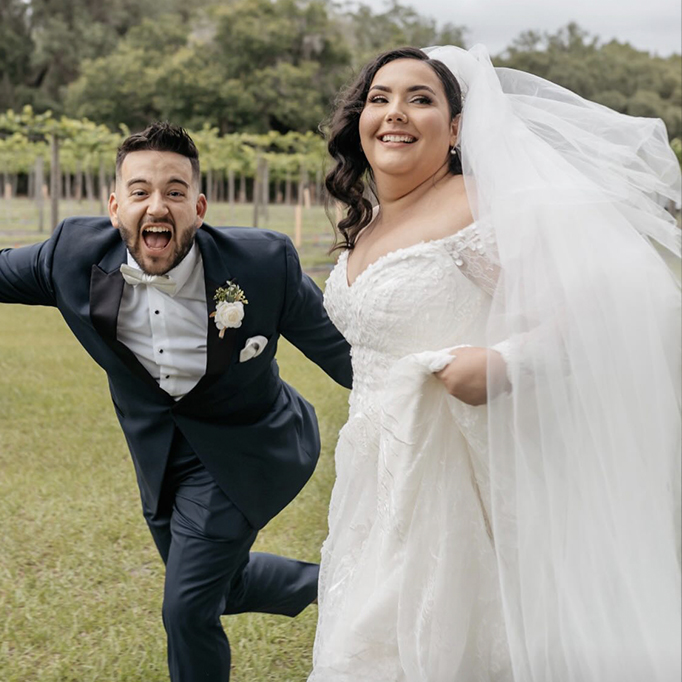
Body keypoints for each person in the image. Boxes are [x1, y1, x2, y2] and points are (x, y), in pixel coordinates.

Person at [309, 45, 681, 682]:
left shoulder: (480, 206)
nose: (395, 112)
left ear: (456, 129)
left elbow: (616, 305)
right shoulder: (366, 223)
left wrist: (508, 361)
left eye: (420, 99)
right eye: (380, 98)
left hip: (469, 488)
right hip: (377, 479)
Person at [0, 122, 352, 681]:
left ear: (199, 206)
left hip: (252, 448)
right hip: (163, 459)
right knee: (222, 588)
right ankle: (345, 586)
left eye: (174, 191)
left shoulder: (264, 265)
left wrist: (425, 391)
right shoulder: (71, 254)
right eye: (139, 192)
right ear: (115, 207)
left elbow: (347, 354)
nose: (156, 205)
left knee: (186, 608)